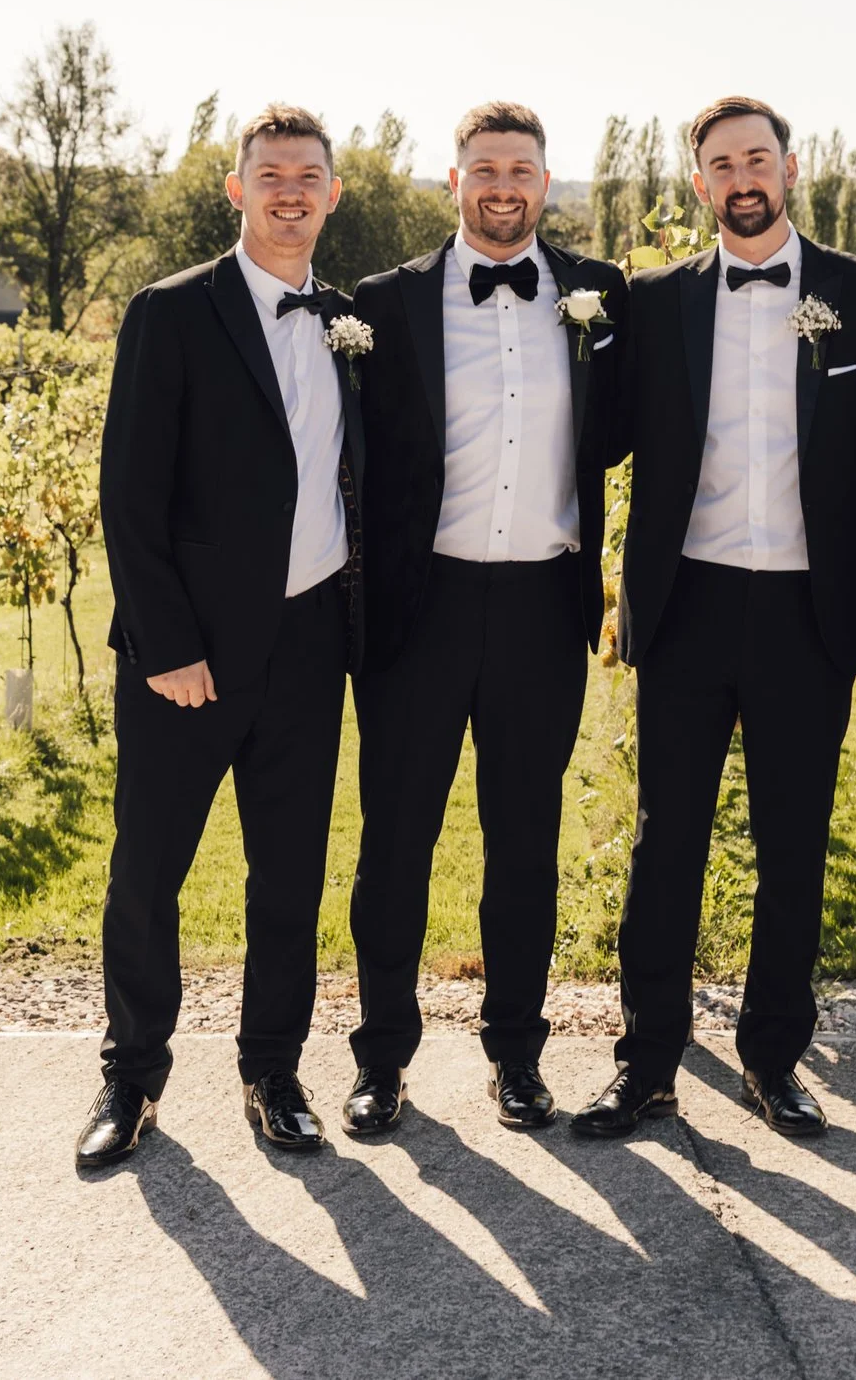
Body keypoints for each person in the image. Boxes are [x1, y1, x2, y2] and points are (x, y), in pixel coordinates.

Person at [574, 96, 856, 1141]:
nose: (741, 177)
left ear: (790, 165)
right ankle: (645, 1065)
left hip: (811, 610)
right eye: (720, 164)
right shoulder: (654, 299)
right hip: (684, 604)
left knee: (793, 846)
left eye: (756, 157)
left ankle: (774, 1059)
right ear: (697, 185)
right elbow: (598, 432)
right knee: (663, 842)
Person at [74, 104, 366, 1169]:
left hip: (308, 645)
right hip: (185, 658)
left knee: (287, 875)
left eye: (309, 175)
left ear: (334, 195)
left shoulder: (347, 319)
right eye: (271, 173)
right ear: (235, 190)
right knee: (149, 871)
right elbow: (130, 495)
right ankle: (131, 1079)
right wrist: (165, 645)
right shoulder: (170, 312)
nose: (290, 190)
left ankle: (273, 1073)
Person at [341, 102, 627, 1135]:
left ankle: (517, 1056)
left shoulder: (600, 297)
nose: (502, 183)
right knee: (396, 843)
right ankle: (380, 1062)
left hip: (543, 607)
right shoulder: (384, 303)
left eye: (520, 167)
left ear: (545, 183)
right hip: (421, 607)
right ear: (450, 182)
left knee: (523, 842)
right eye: (483, 167)